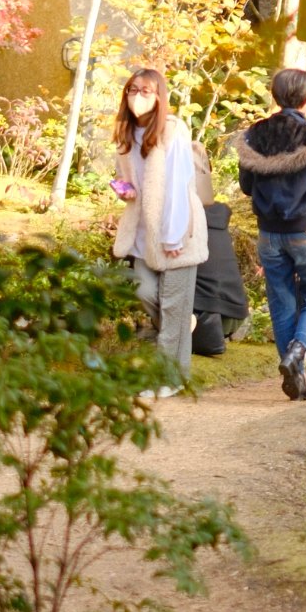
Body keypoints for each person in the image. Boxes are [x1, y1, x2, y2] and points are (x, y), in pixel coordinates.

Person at [234, 67, 306, 399]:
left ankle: (297, 377)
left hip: (268, 233)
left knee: (281, 303)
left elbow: (246, 186)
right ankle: (298, 349)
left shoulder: (254, 135)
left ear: (274, 95)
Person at [109, 65, 206, 390]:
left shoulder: (172, 130)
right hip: (142, 232)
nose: (138, 96)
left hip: (179, 229)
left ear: (159, 97)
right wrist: (125, 189)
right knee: (144, 291)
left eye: (146, 91)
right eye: (133, 90)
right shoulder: (126, 132)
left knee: (173, 304)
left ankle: (169, 379)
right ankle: (181, 324)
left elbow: (178, 183)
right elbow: (130, 177)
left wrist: (173, 236)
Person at [190, 149, 251, 359]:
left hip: (205, 312)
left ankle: (203, 334)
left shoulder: (182, 220)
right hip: (235, 314)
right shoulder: (218, 216)